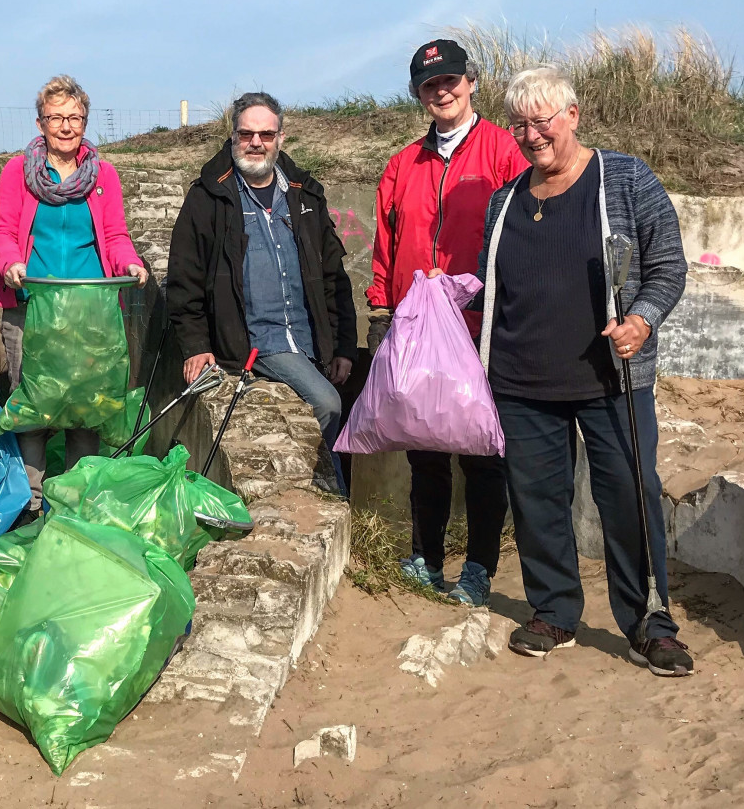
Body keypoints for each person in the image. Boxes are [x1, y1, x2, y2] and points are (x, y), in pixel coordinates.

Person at [474, 65, 691, 675]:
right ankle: (554, 611)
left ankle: (650, 623)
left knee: (630, 494)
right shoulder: (505, 200)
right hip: (521, 382)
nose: (530, 135)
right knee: (539, 500)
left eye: (541, 121)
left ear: (572, 114)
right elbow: (496, 288)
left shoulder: (624, 179)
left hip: (611, 381)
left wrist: (642, 320)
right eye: (518, 125)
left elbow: (668, 267)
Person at [368, 39, 529, 606]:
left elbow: (527, 234)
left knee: (484, 451)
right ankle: (425, 559)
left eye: (451, 80)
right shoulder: (402, 164)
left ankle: (480, 567)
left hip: (482, 323)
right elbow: (386, 243)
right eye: (430, 84)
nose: (443, 91)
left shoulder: (506, 152)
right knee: (425, 449)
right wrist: (384, 307)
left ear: (472, 81)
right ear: (418, 93)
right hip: (418, 325)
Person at [167, 92, 357, 487]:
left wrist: (342, 347)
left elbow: (333, 276)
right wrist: (196, 345)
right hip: (258, 341)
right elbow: (184, 280)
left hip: (310, 339)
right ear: (233, 136)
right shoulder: (209, 196)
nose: (256, 143)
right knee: (326, 403)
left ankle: (335, 502)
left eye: (266, 135)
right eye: (247, 134)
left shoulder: (305, 194)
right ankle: (325, 495)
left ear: (280, 138)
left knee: (347, 406)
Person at [0, 74, 148, 512]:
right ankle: (30, 502)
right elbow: (3, 232)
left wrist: (130, 263)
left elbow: (115, 236)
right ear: (40, 122)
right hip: (31, 308)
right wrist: (11, 265)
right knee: (34, 408)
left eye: (74, 117)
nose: (65, 126)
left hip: (89, 314)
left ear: (85, 121)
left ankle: (75, 501)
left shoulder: (104, 176)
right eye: (55, 117)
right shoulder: (16, 172)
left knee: (86, 408)